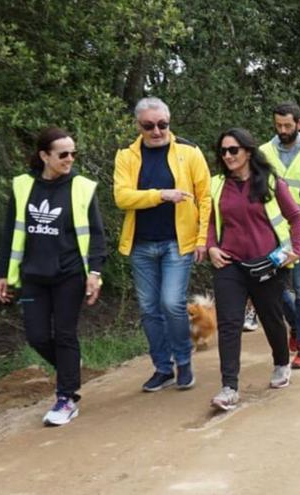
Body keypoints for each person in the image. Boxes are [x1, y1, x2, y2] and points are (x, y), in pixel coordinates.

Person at [0, 127, 107, 426]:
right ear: (44, 155)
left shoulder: (82, 187)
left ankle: (66, 398)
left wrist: (94, 273)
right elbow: (10, 233)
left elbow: (96, 235)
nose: (70, 159)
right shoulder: (23, 186)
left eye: (73, 153)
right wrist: (4, 274)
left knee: (66, 334)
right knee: (37, 336)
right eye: (63, 154)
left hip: (69, 273)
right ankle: (71, 367)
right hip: (33, 273)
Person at [113, 97, 211, 392]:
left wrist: (202, 238)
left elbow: (205, 197)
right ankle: (162, 367)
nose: (156, 131)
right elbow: (122, 197)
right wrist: (161, 195)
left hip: (177, 243)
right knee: (148, 308)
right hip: (141, 244)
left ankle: (183, 362)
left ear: (169, 122)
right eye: (149, 125)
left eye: (162, 125)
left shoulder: (189, 152)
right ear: (138, 125)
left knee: (171, 303)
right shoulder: (126, 156)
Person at [206, 128, 300, 410]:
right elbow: (209, 222)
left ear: (248, 151)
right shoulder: (215, 185)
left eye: (233, 150)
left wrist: (295, 250)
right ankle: (229, 387)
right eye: (223, 151)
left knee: (271, 317)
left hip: (267, 264)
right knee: (229, 323)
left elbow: (296, 218)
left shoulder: (271, 182)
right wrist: (212, 246)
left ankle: (281, 362)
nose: (227, 156)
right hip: (230, 264)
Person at [257, 102, 300, 369]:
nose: (282, 130)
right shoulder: (262, 152)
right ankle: (295, 325)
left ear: (299, 123)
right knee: (274, 291)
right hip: (272, 236)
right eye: (278, 125)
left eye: (287, 125)